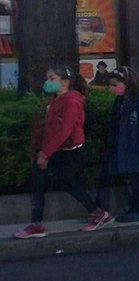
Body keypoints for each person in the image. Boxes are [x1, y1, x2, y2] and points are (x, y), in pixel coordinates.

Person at [14, 66, 108, 239]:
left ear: (65, 82)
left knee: (67, 182)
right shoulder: (55, 100)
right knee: (40, 182)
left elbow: (64, 131)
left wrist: (45, 154)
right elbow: (50, 129)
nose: (47, 82)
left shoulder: (71, 102)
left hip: (68, 151)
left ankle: (97, 212)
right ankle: (37, 224)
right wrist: (42, 150)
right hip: (56, 149)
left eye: (52, 78)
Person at [102, 67, 139, 223]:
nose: (112, 88)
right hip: (126, 147)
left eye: (115, 84)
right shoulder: (121, 101)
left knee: (137, 179)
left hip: (136, 148)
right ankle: (134, 205)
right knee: (130, 178)